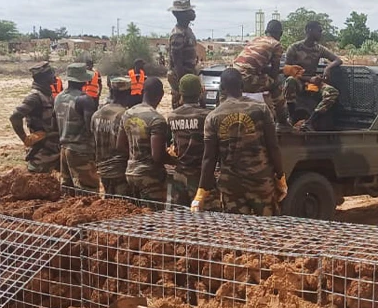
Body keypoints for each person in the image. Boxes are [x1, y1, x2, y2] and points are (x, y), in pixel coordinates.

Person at [193, 69, 285, 215]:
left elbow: (209, 158)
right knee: (267, 231)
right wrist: (280, 177)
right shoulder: (261, 109)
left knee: (237, 232)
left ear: (222, 88)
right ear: (242, 85)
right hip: (261, 183)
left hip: (231, 186)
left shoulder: (213, 117)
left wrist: (201, 191)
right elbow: (273, 146)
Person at [117, 77, 170, 208]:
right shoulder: (157, 119)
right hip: (150, 177)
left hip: (130, 174)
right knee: (153, 218)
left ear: (142, 91)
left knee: (136, 215)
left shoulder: (127, 114)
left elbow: (120, 145)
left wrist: (136, 157)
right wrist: (176, 160)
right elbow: (157, 156)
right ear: (161, 95)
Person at [53, 63, 100, 190]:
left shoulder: (58, 97)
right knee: (88, 190)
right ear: (84, 80)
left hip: (64, 148)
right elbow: (91, 128)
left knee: (68, 189)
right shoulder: (84, 99)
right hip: (81, 150)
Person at [166, 74, 210, 205]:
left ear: (181, 93)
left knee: (181, 220)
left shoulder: (172, 116)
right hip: (201, 177)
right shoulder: (206, 116)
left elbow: (169, 144)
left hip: (179, 174)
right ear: (200, 92)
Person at [10, 62, 61, 174]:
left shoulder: (47, 94)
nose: (54, 76)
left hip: (54, 146)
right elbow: (15, 117)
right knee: (37, 179)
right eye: (50, 74)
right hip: (42, 150)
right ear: (44, 78)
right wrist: (25, 139)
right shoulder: (34, 97)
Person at [284, 21, 344, 113]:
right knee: (290, 80)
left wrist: (327, 68)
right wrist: (309, 78)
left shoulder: (319, 49)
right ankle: (291, 118)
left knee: (332, 92)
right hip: (298, 81)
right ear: (309, 30)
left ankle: (310, 121)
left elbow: (338, 60)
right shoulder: (294, 48)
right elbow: (287, 72)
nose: (321, 34)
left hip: (312, 83)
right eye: (319, 31)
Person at [233, 19, 286, 119]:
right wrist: (283, 71)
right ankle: (282, 120)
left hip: (234, 77)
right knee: (276, 83)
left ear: (266, 32)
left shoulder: (255, 40)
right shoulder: (276, 44)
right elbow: (274, 74)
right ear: (281, 33)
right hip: (247, 79)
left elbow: (254, 65)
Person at [92, 77, 135, 197]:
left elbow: (93, 141)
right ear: (128, 93)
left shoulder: (96, 114)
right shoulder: (124, 115)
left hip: (102, 170)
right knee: (123, 208)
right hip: (119, 170)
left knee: (110, 204)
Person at [167, 0, 199, 108]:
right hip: (181, 77)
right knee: (181, 110)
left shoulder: (187, 31)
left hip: (189, 75)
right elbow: (177, 63)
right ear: (181, 15)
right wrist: (183, 86)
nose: (193, 13)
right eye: (189, 11)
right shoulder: (177, 34)